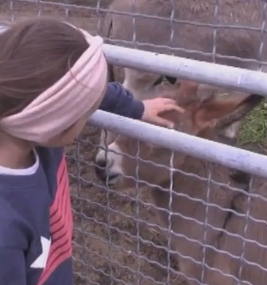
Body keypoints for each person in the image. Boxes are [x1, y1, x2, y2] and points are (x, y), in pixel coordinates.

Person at [0, 18, 184, 285]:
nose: (91, 111)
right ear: (59, 122)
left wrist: (137, 108)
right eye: (88, 110)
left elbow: (70, 86)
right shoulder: (5, 233)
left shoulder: (26, 119)